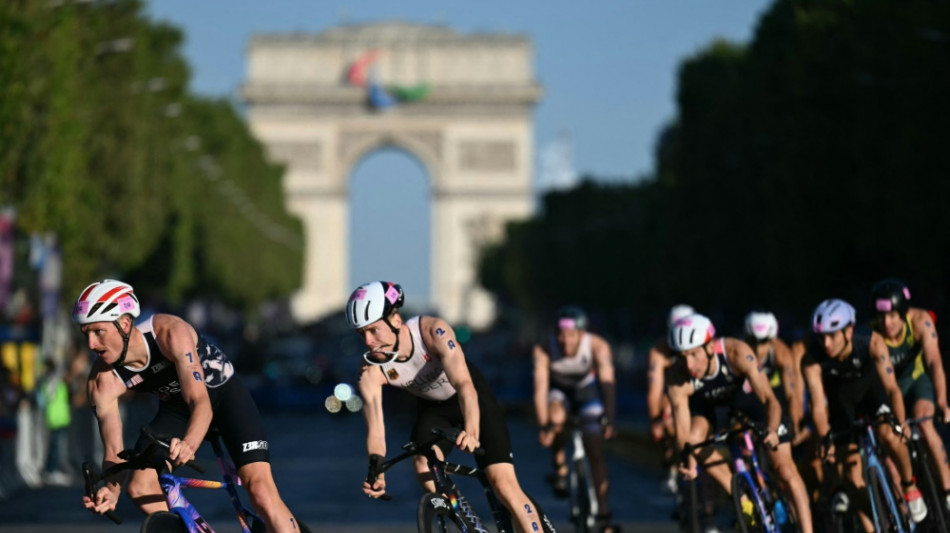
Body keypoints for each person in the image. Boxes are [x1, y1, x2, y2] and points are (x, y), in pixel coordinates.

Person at [75, 280, 302, 532]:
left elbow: (200, 400)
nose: (91, 345)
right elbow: (114, 450)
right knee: (139, 487)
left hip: (222, 396)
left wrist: (189, 444)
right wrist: (110, 490)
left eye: (98, 332)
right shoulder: (102, 381)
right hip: (177, 410)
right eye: (86, 334)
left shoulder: (169, 333)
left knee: (260, 491)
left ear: (125, 324)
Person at [349, 281, 555, 533]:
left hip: (471, 398)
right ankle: (469, 522)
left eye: (374, 331)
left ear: (395, 319)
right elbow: (377, 430)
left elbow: (465, 386)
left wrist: (471, 431)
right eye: (362, 334)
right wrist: (376, 471)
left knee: (503, 484)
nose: (368, 341)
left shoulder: (432, 332)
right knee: (423, 464)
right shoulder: (370, 370)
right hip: (435, 408)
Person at [666, 313, 814, 533]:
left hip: (751, 402)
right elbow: (682, 429)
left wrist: (772, 430)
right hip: (714, 408)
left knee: (785, 469)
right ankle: (742, 497)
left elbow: (770, 400)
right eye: (682, 356)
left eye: (694, 355)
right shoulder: (678, 376)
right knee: (694, 438)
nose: (689, 364)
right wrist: (690, 462)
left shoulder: (737, 353)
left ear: (709, 347)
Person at [802, 298, 927, 529]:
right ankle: (881, 521)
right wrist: (825, 437)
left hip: (872, 394)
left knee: (888, 435)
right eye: (821, 337)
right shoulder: (811, 359)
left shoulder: (871, 342)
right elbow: (818, 407)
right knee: (849, 475)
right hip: (842, 404)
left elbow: (892, 389)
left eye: (832, 335)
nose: (826, 343)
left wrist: (899, 423)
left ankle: (909, 486)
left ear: (848, 331)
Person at [869, 278, 950, 512]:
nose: (887, 322)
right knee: (891, 446)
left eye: (893, 316)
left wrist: (942, 401)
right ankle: (905, 512)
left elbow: (934, 362)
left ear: (903, 313)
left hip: (916, 381)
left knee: (925, 424)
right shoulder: (873, 334)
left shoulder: (920, 321)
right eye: (882, 317)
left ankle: (946, 490)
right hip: (888, 389)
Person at [532, 306, 616, 530]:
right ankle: (559, 466)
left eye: (571, 336)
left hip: (587, 393)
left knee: (595, 449)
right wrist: (544, 426)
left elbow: (608, 385)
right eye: (561, 335)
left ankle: (604, 514)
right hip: (559, 394)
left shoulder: (598, 346)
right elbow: (540, 389)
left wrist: (609, 418)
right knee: (556, 417)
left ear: (581, 334)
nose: (565, 341)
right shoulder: (544, 349)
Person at [646, 304, 694, 492]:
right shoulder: (659, 351)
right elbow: (654, 389)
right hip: (672, 399)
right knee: (667, 412)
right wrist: (655, 419)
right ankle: (670, 461)